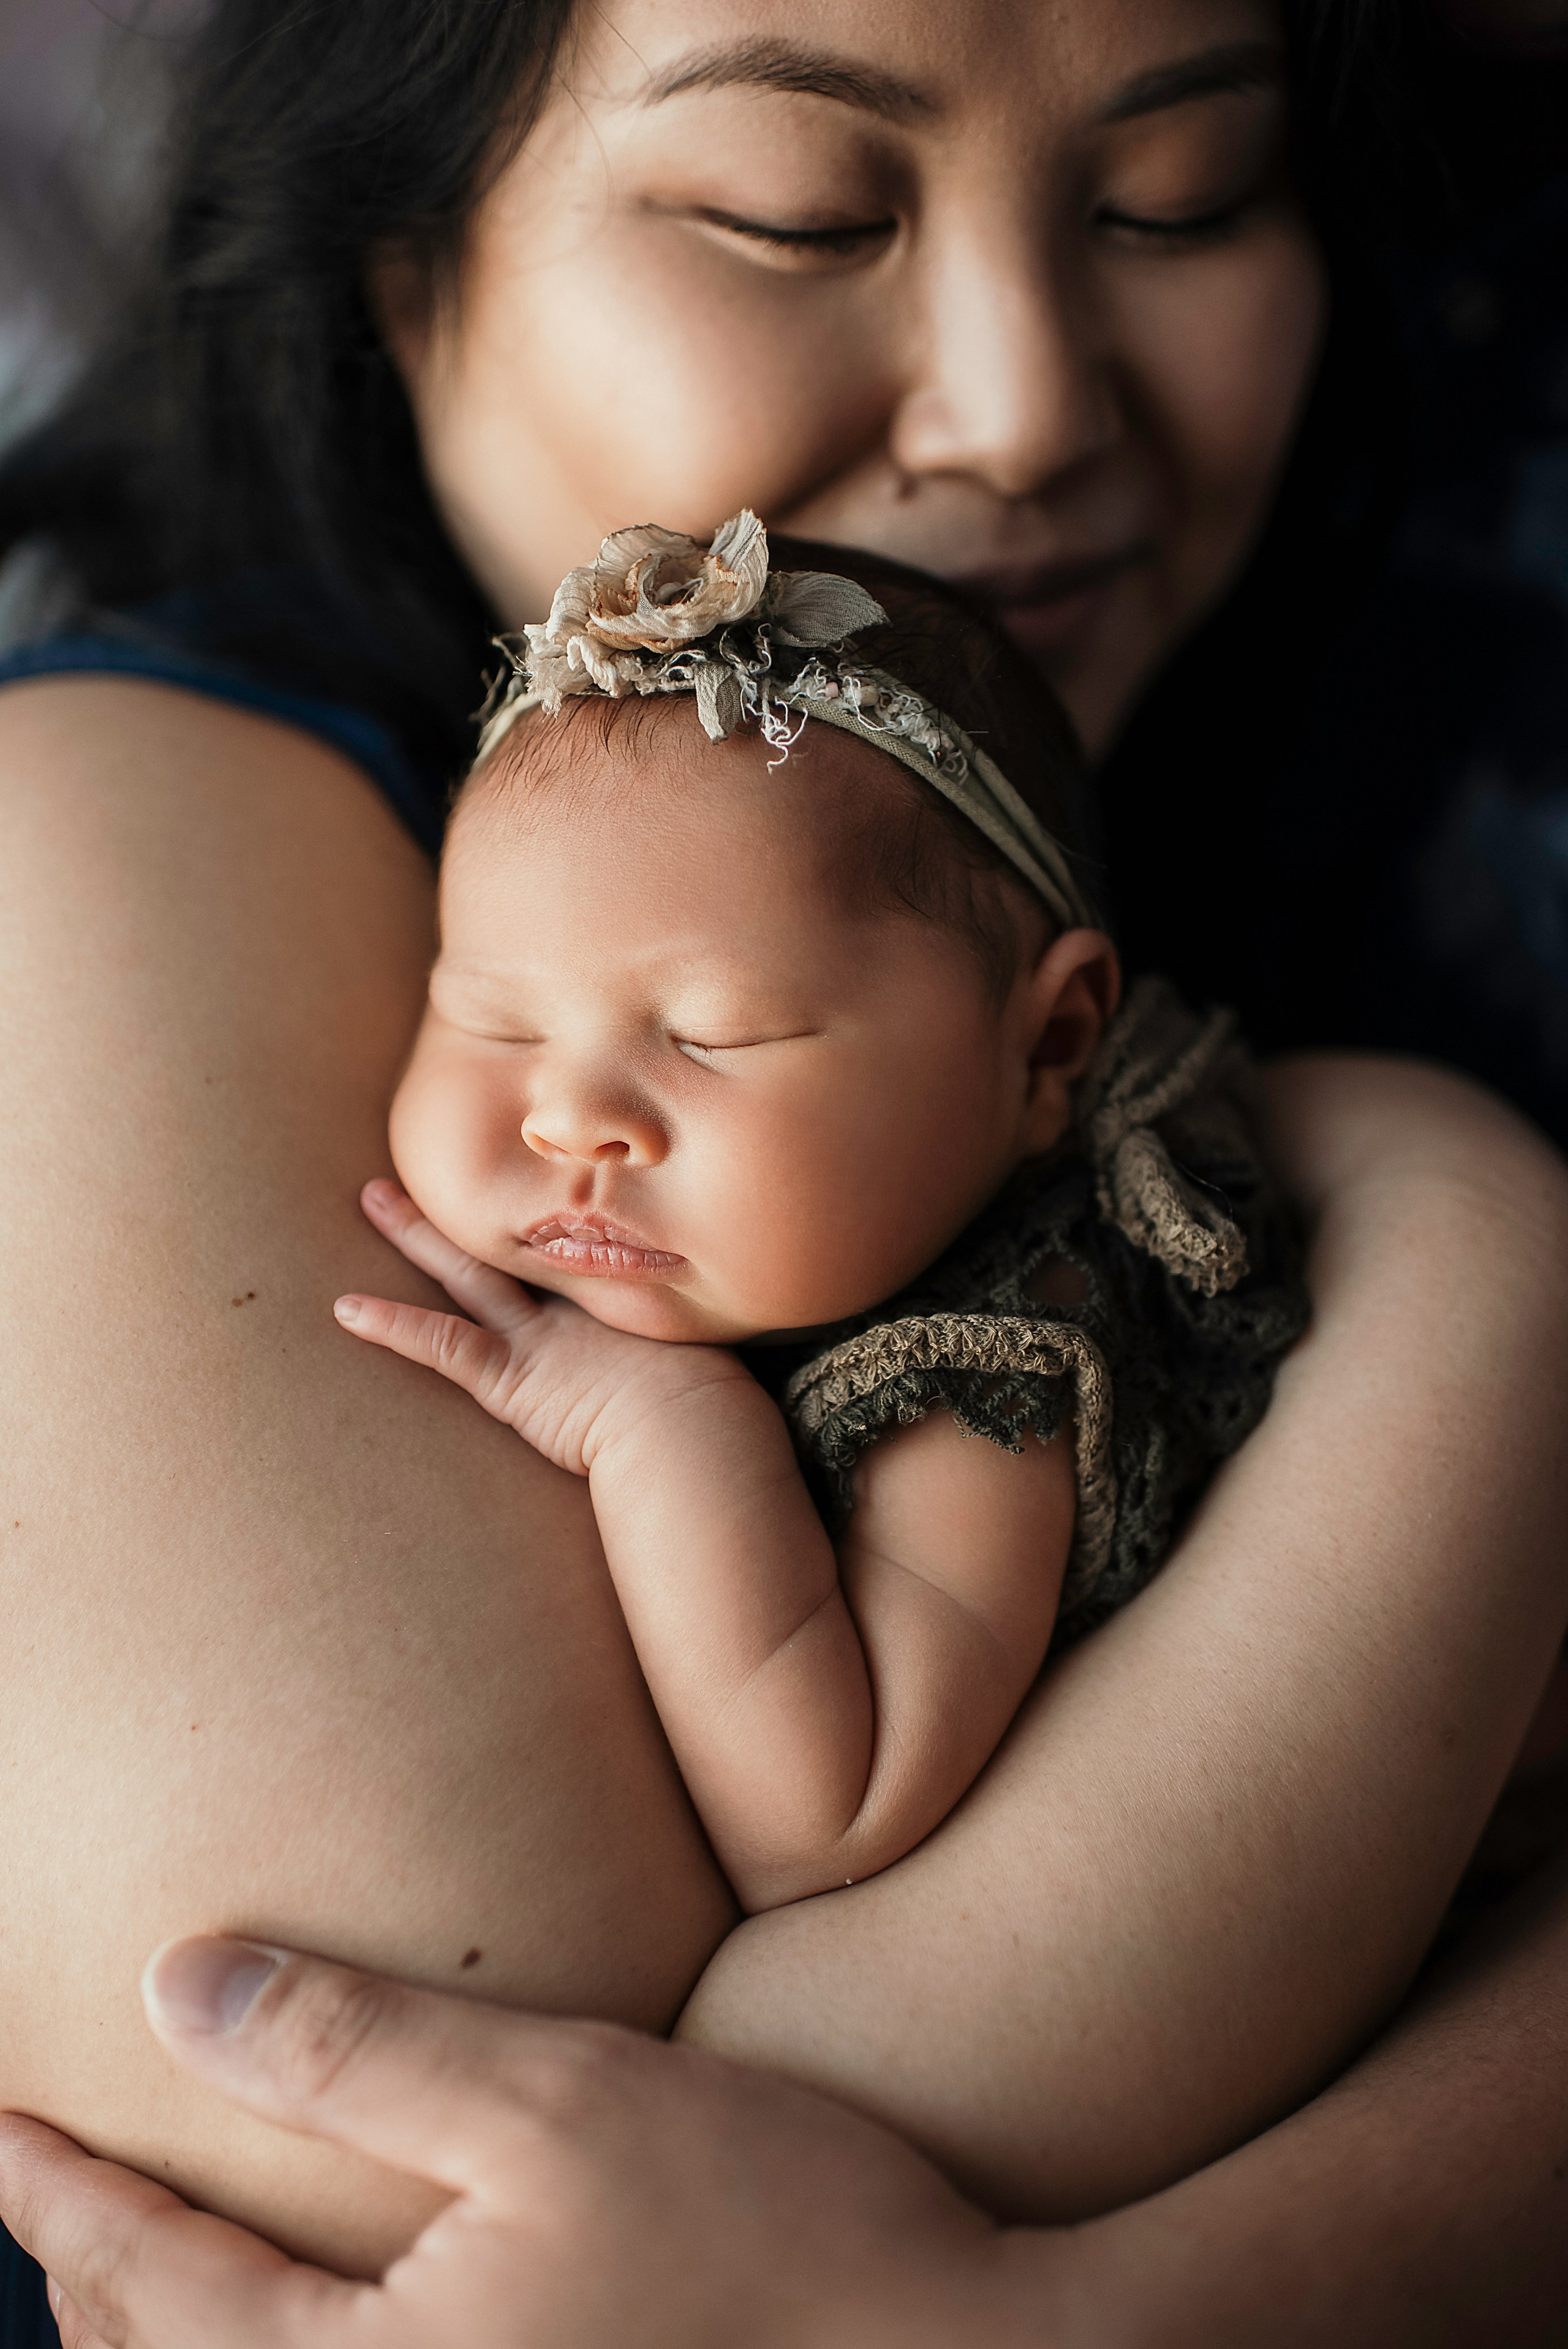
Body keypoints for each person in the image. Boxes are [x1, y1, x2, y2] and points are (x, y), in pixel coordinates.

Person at [1, 0, 1567, 2333]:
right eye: (796, 217)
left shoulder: (1405, 755)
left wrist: (1081, 2310)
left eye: (1183, 200)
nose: (1026, 409)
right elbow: (447, 2189)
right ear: (408, 263)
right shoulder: (136, 835)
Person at [337, 518, 1309, 1924]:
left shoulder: (991, 1379)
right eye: (492, 1019)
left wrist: (661, 1428)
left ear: (1043, 1048)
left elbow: (824, 1819)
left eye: (715, 1035)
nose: (570, 1119)